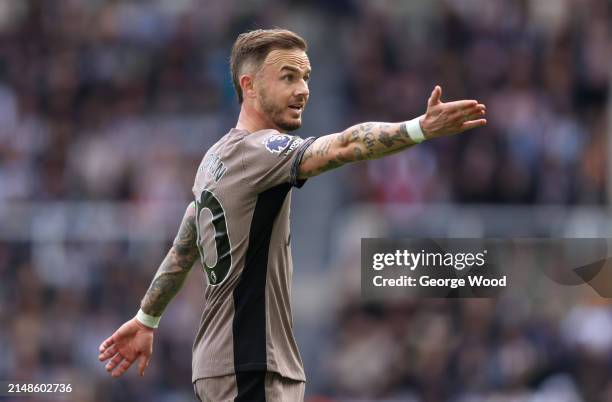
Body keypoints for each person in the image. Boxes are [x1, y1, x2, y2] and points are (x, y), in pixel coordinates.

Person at [98, 28, 487, 401]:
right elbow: (345, 146)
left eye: (306, 77)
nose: (303, 90)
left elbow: (185, 247)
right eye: (288, 77)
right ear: (248, 86)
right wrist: (419, 128)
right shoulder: (262, 149)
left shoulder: (213, 159)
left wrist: (147, 318)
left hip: (227, 365)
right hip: (249, 365)